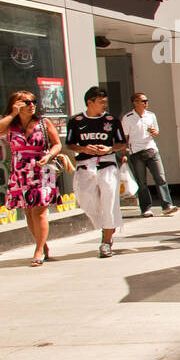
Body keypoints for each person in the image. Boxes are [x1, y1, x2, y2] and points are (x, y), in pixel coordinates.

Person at [65, 86, 127, 258]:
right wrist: (85, 148)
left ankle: (106, 242)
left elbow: (122, 143)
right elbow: (69, 144)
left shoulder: (112, 120)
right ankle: (106, 225)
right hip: (85, 165)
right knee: (86, 199)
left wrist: (109, 148)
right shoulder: (75, 121)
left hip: (107, 165)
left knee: (109, 201)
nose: (104, 106)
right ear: (89, 102)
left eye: (105, 102)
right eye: (101, 102)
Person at [1, 90, 62, 265]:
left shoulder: (43, 122)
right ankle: (42, 245)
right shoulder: (11, 125)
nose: (31, 105)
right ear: (16, 104)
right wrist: (13, 114)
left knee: (39, 211)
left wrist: (49, 155)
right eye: (26, 102)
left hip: (41, 168)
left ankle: (38, 251)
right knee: (28, 212)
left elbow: (57, 144)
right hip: (20, 171)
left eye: (33, 101)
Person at [122, 92, 178, 217]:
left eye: (146, 100)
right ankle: (146, 208)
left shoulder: (151, 115)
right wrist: (124, 152)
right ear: (135, 103)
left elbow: (156, 131)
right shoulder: (128, 118)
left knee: (161, 178)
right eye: (143, 101)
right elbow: (125, 137)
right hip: (136, 152)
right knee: (141, 182)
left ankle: (167, 205)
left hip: (151, 150)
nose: (146, 103)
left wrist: (155, 132)